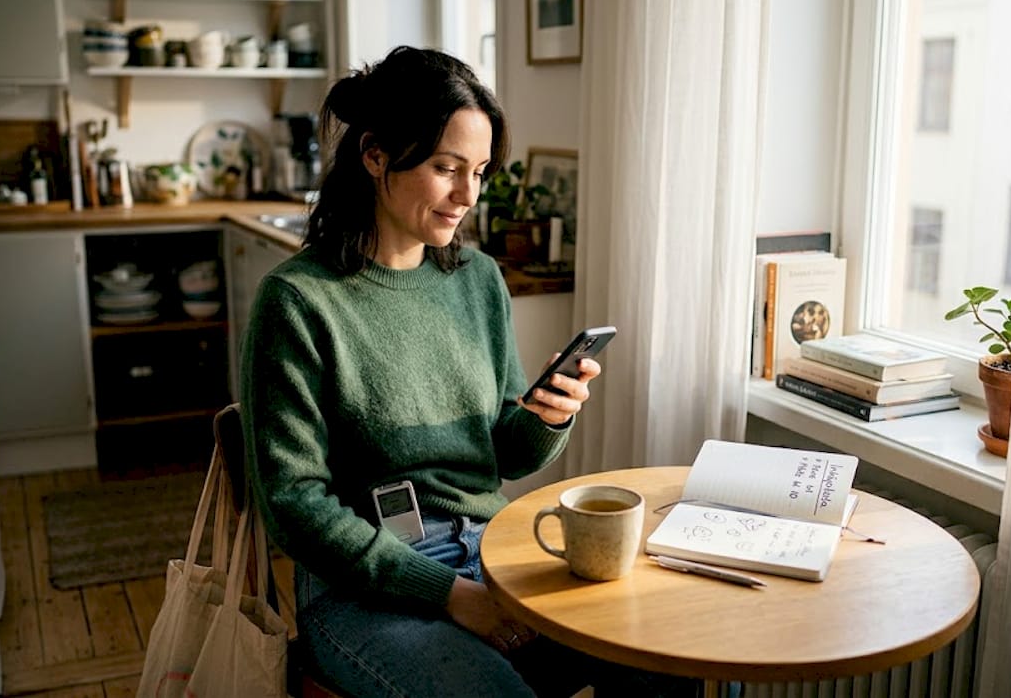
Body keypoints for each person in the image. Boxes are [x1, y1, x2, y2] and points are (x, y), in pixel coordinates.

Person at [241, 46, 693, 697]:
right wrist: (450, 593)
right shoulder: (298, 301)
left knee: (667, 651)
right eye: (446, 168)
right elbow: (295, 506)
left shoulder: (477, 279)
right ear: (374, 155)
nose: (467, 195)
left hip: (493, 548)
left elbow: (503, 452)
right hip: (361, 585)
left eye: (478, 171)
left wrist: (547, 416)